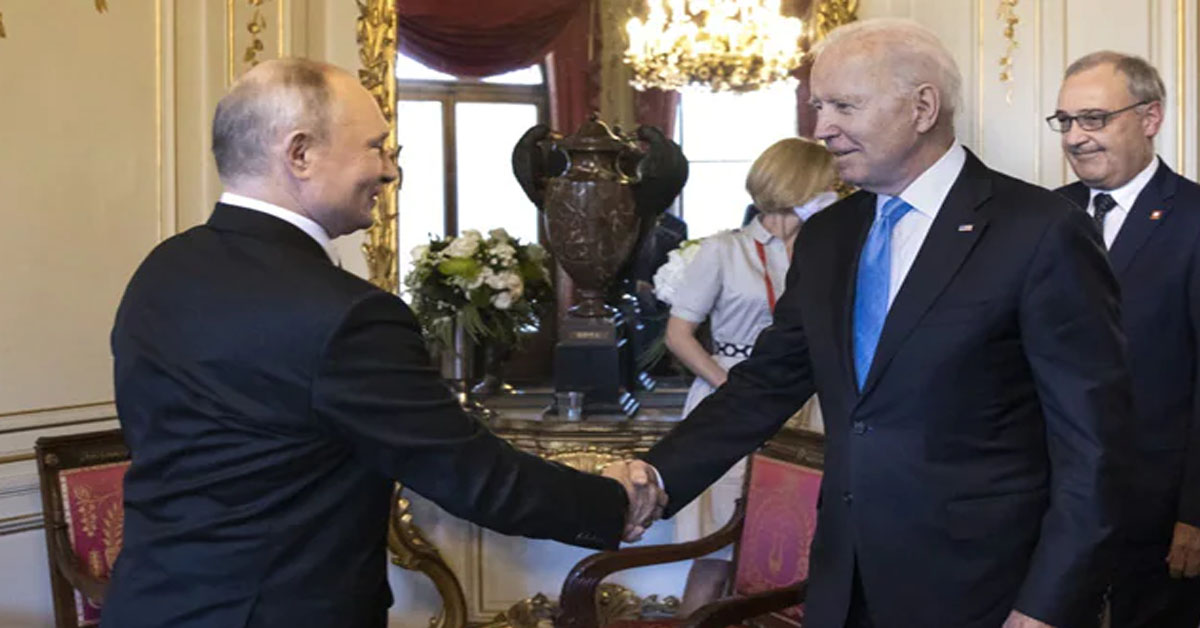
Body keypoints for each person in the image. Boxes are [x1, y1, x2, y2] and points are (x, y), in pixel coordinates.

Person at [609, 18, 1134, 628]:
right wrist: (657, 474)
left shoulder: (1040, 230)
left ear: (922, 107)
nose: (821, 128)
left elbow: (1094, 446)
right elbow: (765, 385)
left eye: (844, 106)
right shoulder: (830, 236)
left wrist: (1046, 605)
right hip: (844, 583)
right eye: (818, 106)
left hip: (983, 590)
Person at [102, 58, 663, 628]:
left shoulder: (162, 271)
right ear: (300, 154)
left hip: (148, 606)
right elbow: (471, 475)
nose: (390, 171)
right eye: (376, 147)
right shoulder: (347, 314)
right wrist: (611, 501)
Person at [1051, 51, 1200, 627]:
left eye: (1094, 118)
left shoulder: (1193, 218)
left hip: (1158, 509)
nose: (1076, 137)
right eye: (1066, 121)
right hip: (1054, 501)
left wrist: (1196, 511)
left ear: (1150, 117)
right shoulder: (1046, 216)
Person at [663, 137, 835, 612]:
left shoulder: (827, 251)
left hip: (808, 403)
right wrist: (737, 391)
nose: (835, 191)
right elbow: (678, 335)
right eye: (828, 183)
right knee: (718, 548)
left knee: (801, 547)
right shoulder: (724, 250)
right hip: (734, 395)